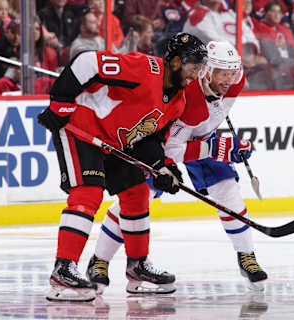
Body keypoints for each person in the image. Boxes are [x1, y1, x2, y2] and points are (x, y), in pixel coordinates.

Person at [37, 32, 208, 302]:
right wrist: (60, 103)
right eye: (193, 67)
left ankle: (137, 265)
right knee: (88, 193)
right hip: (81, 127)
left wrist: (162, 167)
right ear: (175, 61)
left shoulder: (177, 102)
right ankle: (63, 268)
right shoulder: (145, 69)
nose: (196, 75)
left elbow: (148, 140)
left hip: (113, 142)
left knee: (137, 193)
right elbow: (86, 63)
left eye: (200, 69)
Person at [87, 41, 268, 295]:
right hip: (162, 142)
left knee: (227, 188)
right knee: (138, 198)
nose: (228, 80)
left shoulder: (236, 81)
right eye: (221, 74)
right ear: (205, 71)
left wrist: (229, 146)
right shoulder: (187, 98)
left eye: (231, 73)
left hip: (200, 138)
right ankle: (99, 260)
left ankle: (246, 256)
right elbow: (172, 149)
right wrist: (216, 148)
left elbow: (214, 114)